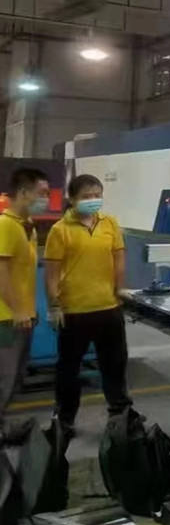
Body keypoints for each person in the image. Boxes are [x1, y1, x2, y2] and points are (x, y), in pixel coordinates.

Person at [44, 174, 131, 432]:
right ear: (72, 199)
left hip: (108, 308)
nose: (93, 200)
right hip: (75, 311)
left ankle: (121, 417)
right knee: (68, 370)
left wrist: (119, 289)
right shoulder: (60, 230)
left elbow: (118, 258)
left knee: (115, 366)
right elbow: (51, 273)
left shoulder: (109, 223)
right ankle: (65, 420)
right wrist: (54, 305)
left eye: (97, 195)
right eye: (86, 196)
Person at [0, 167, 50, 434]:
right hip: (6, 319)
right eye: (41, 193)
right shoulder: (5, 225)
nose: (46, 199)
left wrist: (29, 310)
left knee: (14, 379)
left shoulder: (25, 226)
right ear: (22, 192)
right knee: (4, 378)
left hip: (22, 316)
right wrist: (18, 310)